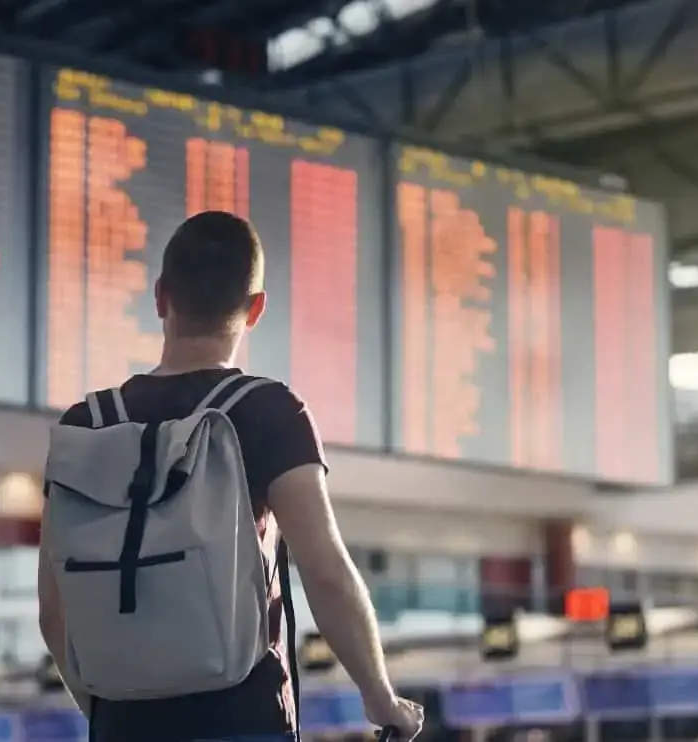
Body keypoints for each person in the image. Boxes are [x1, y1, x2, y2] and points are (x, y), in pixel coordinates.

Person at [37, 210, 424, 742]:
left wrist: (106, 713)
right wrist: (382, 701)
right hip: (244, 718)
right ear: (256, 308)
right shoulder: (267, 410)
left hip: (123, 724)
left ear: (159, 297)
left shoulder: (84, 426)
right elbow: (326, 572)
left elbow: (54, 609)